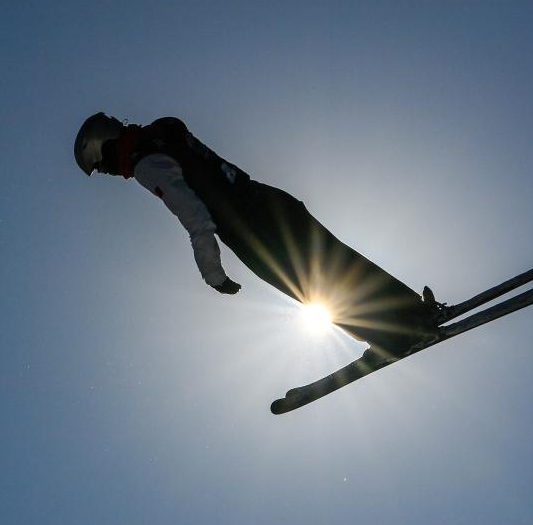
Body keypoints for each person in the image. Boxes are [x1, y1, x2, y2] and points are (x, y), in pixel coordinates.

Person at [73, 113, 441, 359]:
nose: (108, 172)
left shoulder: (146, 162)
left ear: (103, 145)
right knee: (338, 262)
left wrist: (213, 274)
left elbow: (194, 215)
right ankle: (412, 313)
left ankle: (396, 334)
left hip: (250, 228)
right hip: (269, 200)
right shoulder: (163, 132)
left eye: (101, 165)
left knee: (313, 286)